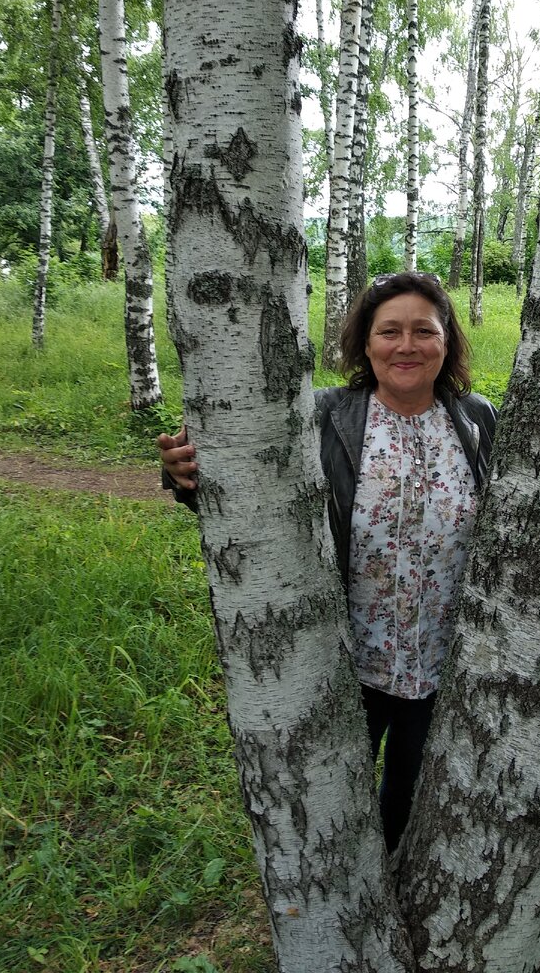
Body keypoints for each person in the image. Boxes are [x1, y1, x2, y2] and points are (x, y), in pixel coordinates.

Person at [158, 271, 497, 850]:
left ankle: (394, 888)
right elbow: (249, 493)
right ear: (365, 343)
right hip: (343, 660)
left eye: (424, 330)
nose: (407, 345)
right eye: (389, 331)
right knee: (331, 799)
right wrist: (185, 476)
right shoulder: (322, 416)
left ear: (447, 341)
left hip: (444, 662)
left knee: (412, 800)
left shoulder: (477, 420)